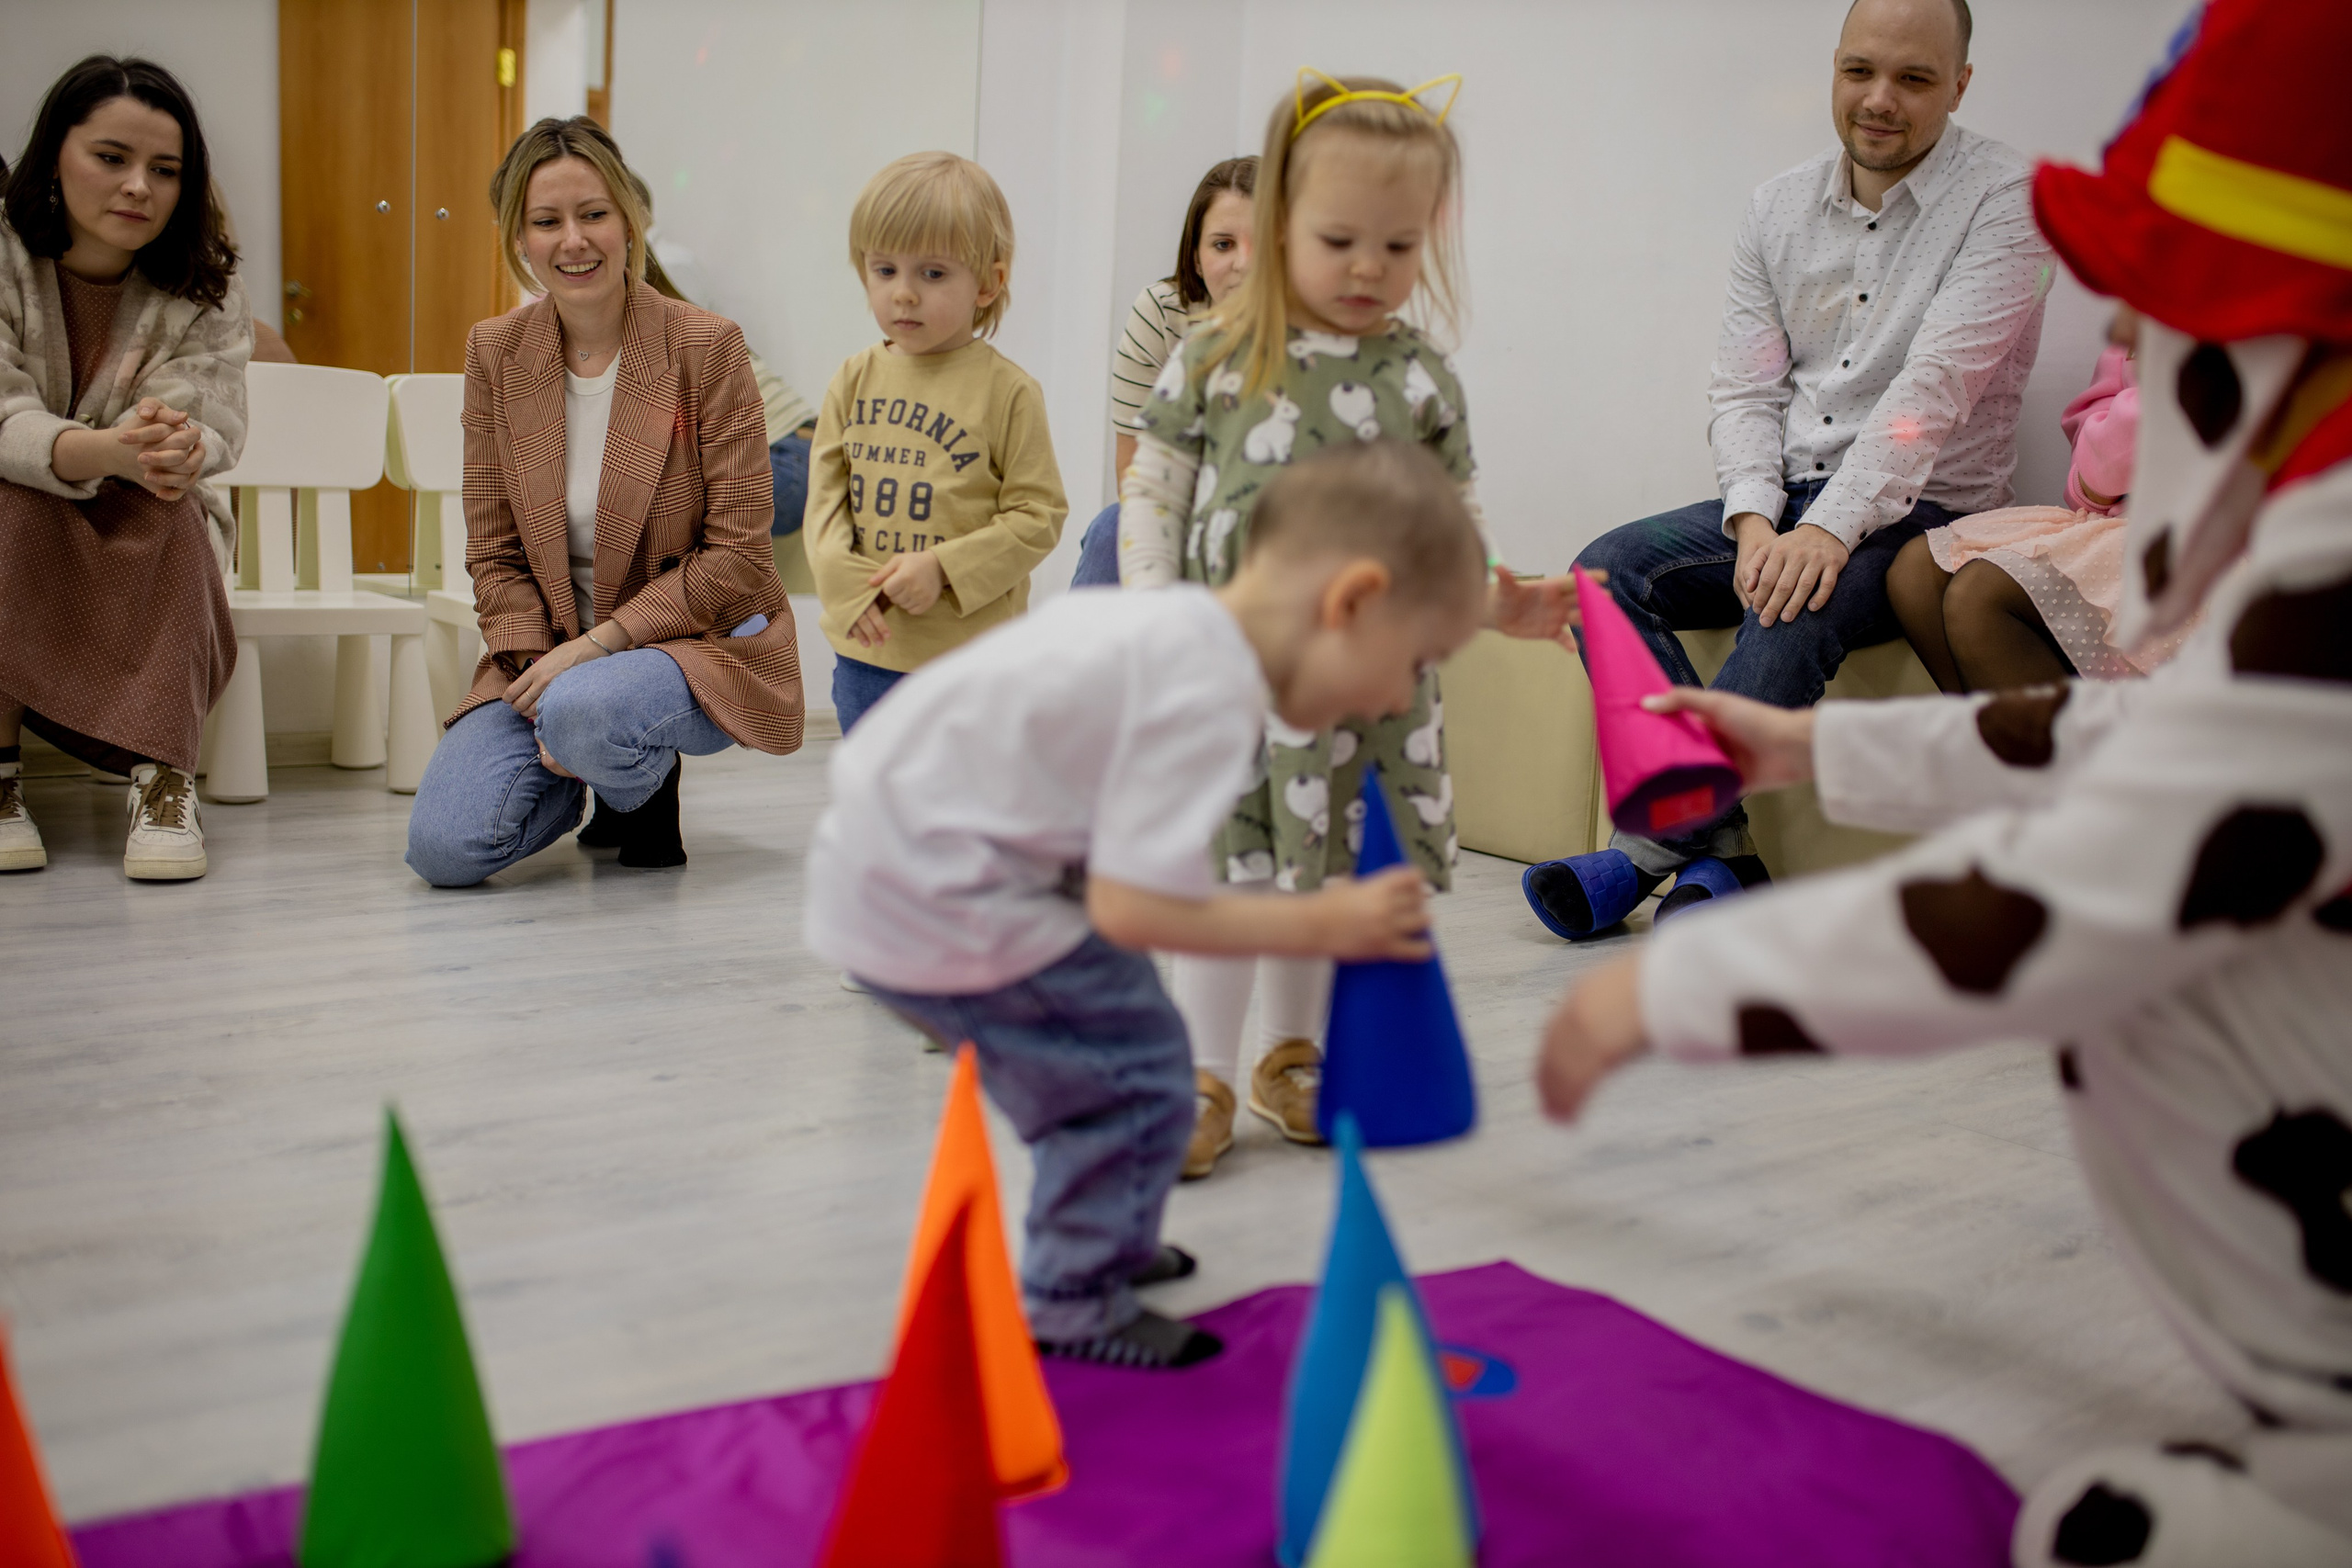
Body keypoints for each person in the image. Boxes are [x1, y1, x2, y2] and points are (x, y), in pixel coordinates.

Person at [1537, 1, 2352, 1558]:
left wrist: (1674, 1001)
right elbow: (2141, 744)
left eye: (2149, 323)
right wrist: (1817, 740)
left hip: (1897, 510)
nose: (2119, 359)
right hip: (1787, 494)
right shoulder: (2301, 561)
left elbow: (2092, 876)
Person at [806, 441, 1487, 1368]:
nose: (1404, 695)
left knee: (1125, 1053)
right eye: (1414, 663)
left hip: (911, 865)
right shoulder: (1205, 693)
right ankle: (1071, 1296)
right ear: (1351, 603)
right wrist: (1316, 924)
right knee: (1132, 1081)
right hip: (938, 896)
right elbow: (1136, 911)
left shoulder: (1182, 631)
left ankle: (1105, 1229)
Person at [1120, 71, 1573, 1177]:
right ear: (1276, 224)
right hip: (1233, 668)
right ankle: (1200, 1070)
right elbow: (1156, 490)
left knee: (1319, 869)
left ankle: (1294, 1056)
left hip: (1360, 682)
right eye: (1339, 240)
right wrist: (1155, 616)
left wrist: (1497, 600)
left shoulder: (1418, 378)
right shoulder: (1213, 354)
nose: (1370, 270)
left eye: (1400, 246)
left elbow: (1453, 525)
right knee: (1234, 868)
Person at [1527, 0, 2053, 938]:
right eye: (1858, 71)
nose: (1878, 99)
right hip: (1791, 493)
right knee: (1603, 576)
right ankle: (1724, 858)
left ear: (1960, 84)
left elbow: (1927, 400)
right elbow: (1744, 391)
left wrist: (1827, 528)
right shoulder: (1775, 207)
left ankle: (1644, 853)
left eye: (1915, 79)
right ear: (1835, 66)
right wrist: (1754, 520)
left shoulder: (2011, 203)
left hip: (1924, 509)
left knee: (1783, 608)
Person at [403, 117, 802, 886]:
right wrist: (538, 662)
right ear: (519, 238)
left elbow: (739, 558)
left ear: (630, 219)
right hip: (550, 648)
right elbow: (492, 549)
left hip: (685, 644)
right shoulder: (495, 352)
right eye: (546, 221)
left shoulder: (706, 345)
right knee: (445, 850)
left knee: (587, 708)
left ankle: (623, 763)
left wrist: (595, 652)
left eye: (593, 214)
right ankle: (596, 771)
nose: (573, 240)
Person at [0, 56, 249, 882]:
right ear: (55, 154)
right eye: (112, 158)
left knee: (172, 505)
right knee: (9, 494)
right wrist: (101, 452)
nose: (139, 186)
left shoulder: (207, 277)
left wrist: (173, 447)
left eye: (165, 170)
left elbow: (209, 417)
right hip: (30, 497)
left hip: (147, 513)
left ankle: (165, 777)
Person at [802, 151, 1066, 734]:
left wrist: (943, 568)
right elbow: (824, 504)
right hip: (869, 649)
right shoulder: (852, 378)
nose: (903, 294)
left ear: (989, 283)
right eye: (884, 270)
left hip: (971, 659)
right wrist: (848, 591)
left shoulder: (1010, 391)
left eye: (933, 273)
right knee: (876, 802)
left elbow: (1039, 515)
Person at [1890, 306, 2188, 689]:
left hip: (2210, 542)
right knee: (1915, 572)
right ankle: (1996, 742)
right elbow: (2088, 487)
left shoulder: (2253, 343)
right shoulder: (2134, 346)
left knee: (1978, 595)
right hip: (2117, 526)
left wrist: (2170, 372)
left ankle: (2045, 745)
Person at [1069, 154, 1256, 588]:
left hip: (1278, 533)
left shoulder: (1316, 335)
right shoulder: (1163, 312)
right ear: (1195, 259)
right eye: (1223, 245)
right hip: (1181, 517)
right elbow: (1134, 474)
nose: (1243, 265)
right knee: (1111, 530)